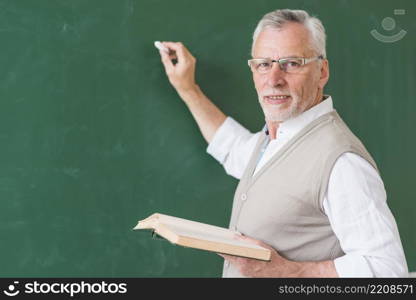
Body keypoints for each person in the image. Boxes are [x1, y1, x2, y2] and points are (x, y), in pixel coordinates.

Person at [157, 9, 408, 277]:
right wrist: (187, 88)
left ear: (322, 71)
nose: (274, 79)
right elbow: (232, 148)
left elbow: (388, 269)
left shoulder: (340, 161)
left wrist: (290, 272)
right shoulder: (276, 140)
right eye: (264, 64)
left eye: (291, 63)